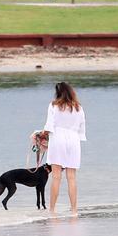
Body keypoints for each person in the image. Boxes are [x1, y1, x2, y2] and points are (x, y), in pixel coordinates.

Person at [43, 81, 86, 215]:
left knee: (56, 176)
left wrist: (41, 134)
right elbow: (81, 128)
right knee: (71, 177)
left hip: (58, 139)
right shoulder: (78, 107)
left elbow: (49, 125)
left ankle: (52, 210)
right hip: (74, 140)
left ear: (58, 92)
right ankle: (74, 210)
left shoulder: (53, 105)